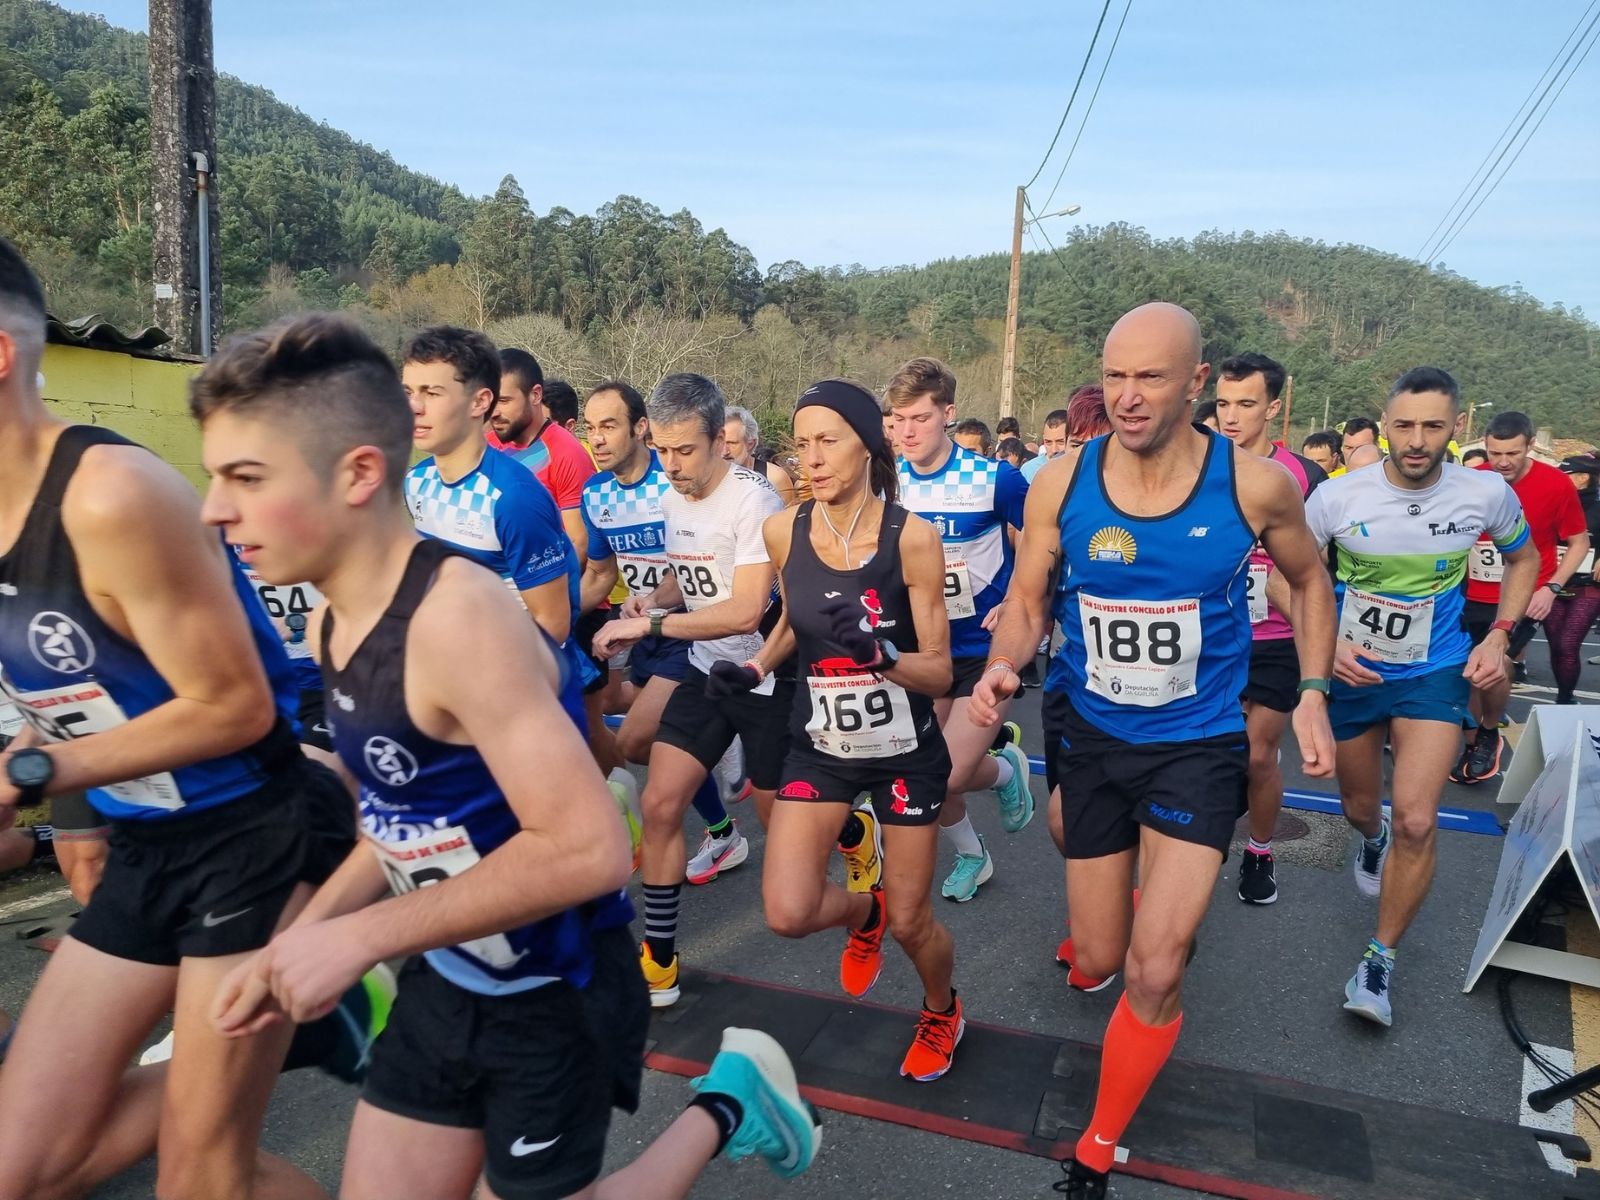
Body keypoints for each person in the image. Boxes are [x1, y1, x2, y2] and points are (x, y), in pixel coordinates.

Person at [197, 312, 822, 1200]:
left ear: (358, 474)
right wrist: (302, 943)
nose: (215, 508)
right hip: (448, 972)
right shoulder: (336, 620)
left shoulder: (458, 618)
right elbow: (397, 824)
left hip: (552, 989)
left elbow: (588, 850)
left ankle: (726, 1103)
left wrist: (356, 941)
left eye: (246, 478)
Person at [0, 238, 357, 1200]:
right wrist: (52, 791)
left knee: (203, 1180)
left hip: (251, 836)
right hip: (147, 843)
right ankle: (303, 1030)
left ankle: (280, 1029)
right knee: (23, 1169)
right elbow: (70, 698)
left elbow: (235, 708)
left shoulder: (109, 495)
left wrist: (28, 780)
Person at [972, 303, 1336, 1198]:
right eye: (1116, 376)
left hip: (1198, 744)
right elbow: (1026, 598)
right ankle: (1151, 906)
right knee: (1099, 957)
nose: (1128, 398)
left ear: (1195, 384)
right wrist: (1002, 664)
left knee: (1154, 965)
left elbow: (1309, 580)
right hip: (1091, 736)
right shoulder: (1061, 481)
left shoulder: (1253, 486)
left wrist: (1316, 691)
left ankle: (1097, 1145)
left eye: (1151, 377)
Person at [730, 379, 966, 1080]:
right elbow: (790, 622)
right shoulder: (783, 529)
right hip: (823, 747)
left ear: (869, 444)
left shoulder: (913, 540)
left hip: (903, 754)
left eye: (827, 441)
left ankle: (942, 1007)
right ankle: (862, 910)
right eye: (801, 444)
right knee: (788, 911)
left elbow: (940, 671)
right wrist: (755, 669)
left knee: (913, 923)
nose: (811, 458)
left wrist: (881, 656)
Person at [1305, 367, 1536, 1028]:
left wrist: (1498, 636)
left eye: (1432, 426)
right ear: (1384, 424)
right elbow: (1296, 574)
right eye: (1404, 425)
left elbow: (1524, 560)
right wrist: (1323, 646)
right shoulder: (1338, 497)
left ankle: (1379, 959)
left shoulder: (1485, 492)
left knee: (1417, 818)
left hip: (1433, 672)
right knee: (1358, 807)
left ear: (1455, 428)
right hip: (1353, 672)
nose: (1416, 439)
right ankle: (1369, 837)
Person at [590, 374, 791, 1007]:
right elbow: (692, 576)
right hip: (707, 670)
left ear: (719, 443)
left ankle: (848, 831)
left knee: (780, 821)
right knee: (659, 804)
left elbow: (743, 610)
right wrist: (653, 597)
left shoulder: (753, 501)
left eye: (686, 452)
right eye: (664, 449)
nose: (671, 466)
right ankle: (660, 958)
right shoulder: (673, 497)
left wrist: (644, 622)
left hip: (767, 672)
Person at [401, 329, 617, 775]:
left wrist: (486, 697)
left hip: (524, 696)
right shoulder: (416, 482)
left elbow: (552, 624)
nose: (415, 407)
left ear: (480, 401)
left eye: (432, 392)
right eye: (410, 391)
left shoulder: (513, 497)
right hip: (456, 689)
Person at [578, 380, 742, 882]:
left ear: (640, 428)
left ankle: (722, 740)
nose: (598, 439)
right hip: (644, 625)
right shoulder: (596, 493)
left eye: (609, 426)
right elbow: (602, 575)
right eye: (590, 428)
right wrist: (542, 617)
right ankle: (722, 829)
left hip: (693, 629)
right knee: (607, 707)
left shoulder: (675, 481)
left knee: (634, 741)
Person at [887, 357, 1032, 903]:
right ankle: (975, 854)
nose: (907, 431)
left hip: (981, 648)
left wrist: (1018, 599)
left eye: (920, 418)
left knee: (942, 775)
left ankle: (1000, 771)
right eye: (897, 419)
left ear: (947, 414)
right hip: (922, 647)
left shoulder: (994, 478)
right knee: (924, 770)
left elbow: (1045, 542)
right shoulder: (887, 482)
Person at [1214, 352, 1328, 904]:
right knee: (1211, 754)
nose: (1231, 416)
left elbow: (1315, 572)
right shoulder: (1201, 462)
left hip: (1275, 640)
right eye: (1223, 403)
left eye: (1246, 404)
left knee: (1259, 755)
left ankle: (1259, 850)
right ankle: (1199, 847)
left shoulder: (1303, 476)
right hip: (1211, 634)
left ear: (1274, 407)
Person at [1453, 411, 1589, 783]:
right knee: (1469, 672)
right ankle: (1474, 736)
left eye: (1512, 453)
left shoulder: (1555, 485)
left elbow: (1578, 543)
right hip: (1472, 593)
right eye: (1495, 453)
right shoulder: (1472, 481)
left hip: (1526, 594)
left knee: (1497, 664)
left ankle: (1488, 731)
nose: (1502, 462)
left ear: (1530, 446)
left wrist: (1552, 587)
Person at [489, 348, 595, 566]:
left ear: (535, 395)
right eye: (490, 401)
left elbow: (580, 543)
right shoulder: (487, 445)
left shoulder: (566, 452)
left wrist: (541, 592)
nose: (494, 412)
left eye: (504, 400)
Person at [1549, 454, 1600, 702]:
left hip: (1589, 585)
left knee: (1568, 645)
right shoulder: (1554, 501)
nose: (1557, 479)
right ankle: (1564, 694)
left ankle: (1565, 697)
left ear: (1583, 478)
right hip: (1554, 583)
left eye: (1564, 475)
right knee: (1557, 645)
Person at [723, 405, 797, 504]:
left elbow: (789, 517)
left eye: (732, 443)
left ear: (750, 444)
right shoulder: (705, 479)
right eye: (718, 443)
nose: (724, 451)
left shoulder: (775, 478)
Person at [1021, 408, 1069, 482]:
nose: (1054, 450)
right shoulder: (1028, 470)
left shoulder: (1084, 470)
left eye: (1060, 442)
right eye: (1048, 442)